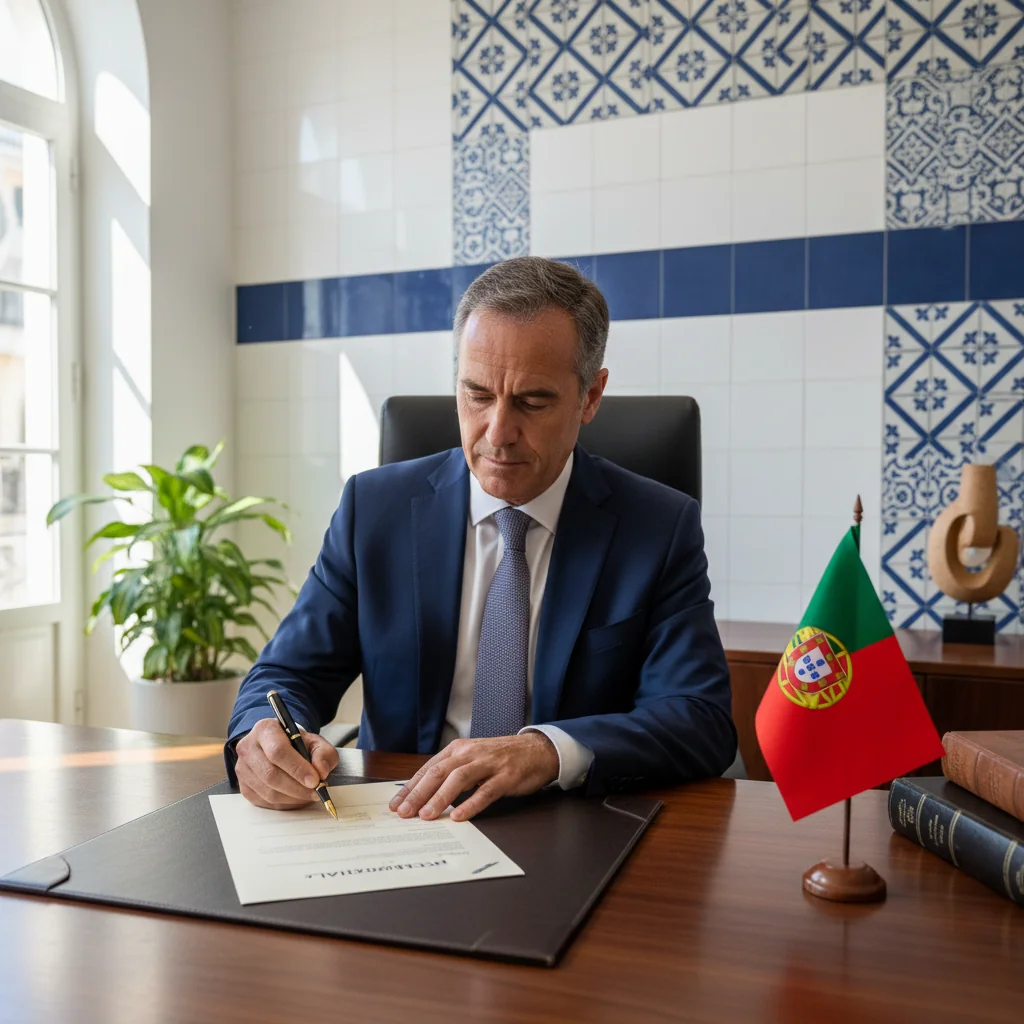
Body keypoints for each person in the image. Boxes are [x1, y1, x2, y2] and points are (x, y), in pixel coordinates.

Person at [226, 256, 736, 823]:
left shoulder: (658, 527)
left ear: (590, 397)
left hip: (571, 826)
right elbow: (286, 675)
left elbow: (699, 718)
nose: (497, 433)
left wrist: (547, 750)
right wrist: (264, 735)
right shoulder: (373, 509)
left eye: (532, 402)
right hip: (404, 820)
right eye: (477, 395)